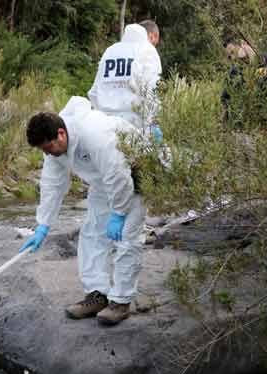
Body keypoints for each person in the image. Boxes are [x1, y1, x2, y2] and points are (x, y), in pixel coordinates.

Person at [20, 96, 146, 326]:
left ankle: (120, 301)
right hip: (103, 182)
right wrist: (43, 224)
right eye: (43, 151)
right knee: (91, 235)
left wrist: (119, 213)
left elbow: (118, 175)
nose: (48, 154)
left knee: (127, 238)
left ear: (60, 134)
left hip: (138, 173)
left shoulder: (94, 134)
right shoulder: (55, 147)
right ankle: (98, 294)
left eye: (48, 148)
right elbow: (52, 184)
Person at [87, 22, 162, 141]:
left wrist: (101, 115)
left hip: (105, 124)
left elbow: (95, 92)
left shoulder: (110, 51)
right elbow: (151, 90)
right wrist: (152, 123)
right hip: (135, 125)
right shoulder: (148, 50)